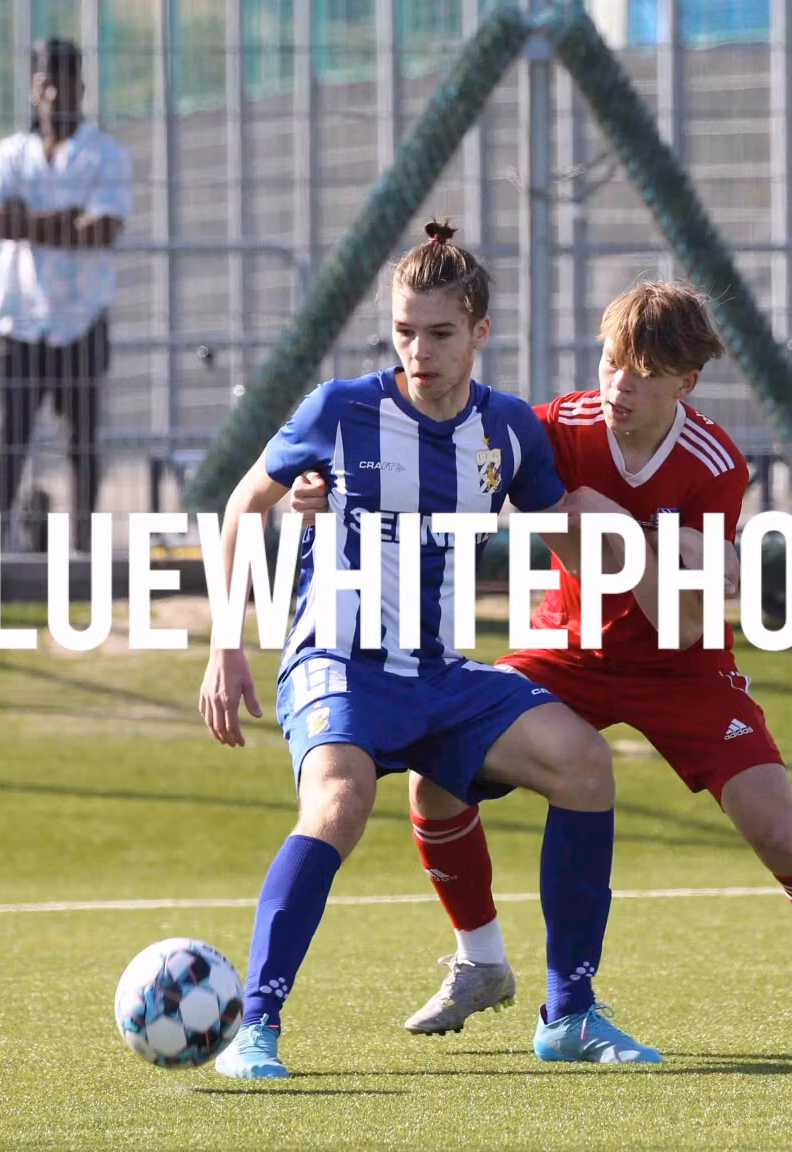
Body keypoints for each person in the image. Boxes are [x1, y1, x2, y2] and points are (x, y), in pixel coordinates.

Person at [291, 280, 792, 1053]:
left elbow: (682, 622)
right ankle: (481, 962)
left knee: (779, 830)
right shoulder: (557, 427)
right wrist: (324, 490)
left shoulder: (715, 464)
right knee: (436, 782)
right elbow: (448, 464)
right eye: (610, 362)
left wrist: (626, 535)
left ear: (685, 383)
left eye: (644, 373)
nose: (619, 385)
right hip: (570, 646)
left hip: (682, 665)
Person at [197, 223, 663, 1080]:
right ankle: (253, 1027)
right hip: (338, 660)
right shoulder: (339, 410)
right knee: (338, 802)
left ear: (480, 331)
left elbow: (561, 522)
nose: (419, 352)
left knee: (584, 765)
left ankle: (569, 1015)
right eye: (405, 331)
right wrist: (226, 645)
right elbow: (243, 505)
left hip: (442, 673)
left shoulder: (508, 428)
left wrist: (651, 559)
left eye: (441, 333)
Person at [0, 37, 131, 557]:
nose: (55, 94)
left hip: (80, 320)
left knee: (81, 440)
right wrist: (64, 220)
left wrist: (25, 220)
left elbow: (101, 230)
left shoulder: (104, 154)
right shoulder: (9, 155)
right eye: (46, 84)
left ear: (80, 89)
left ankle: (82, 545)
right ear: (33, 90)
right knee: (9, 437)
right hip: (16, 319)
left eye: (65, 84)